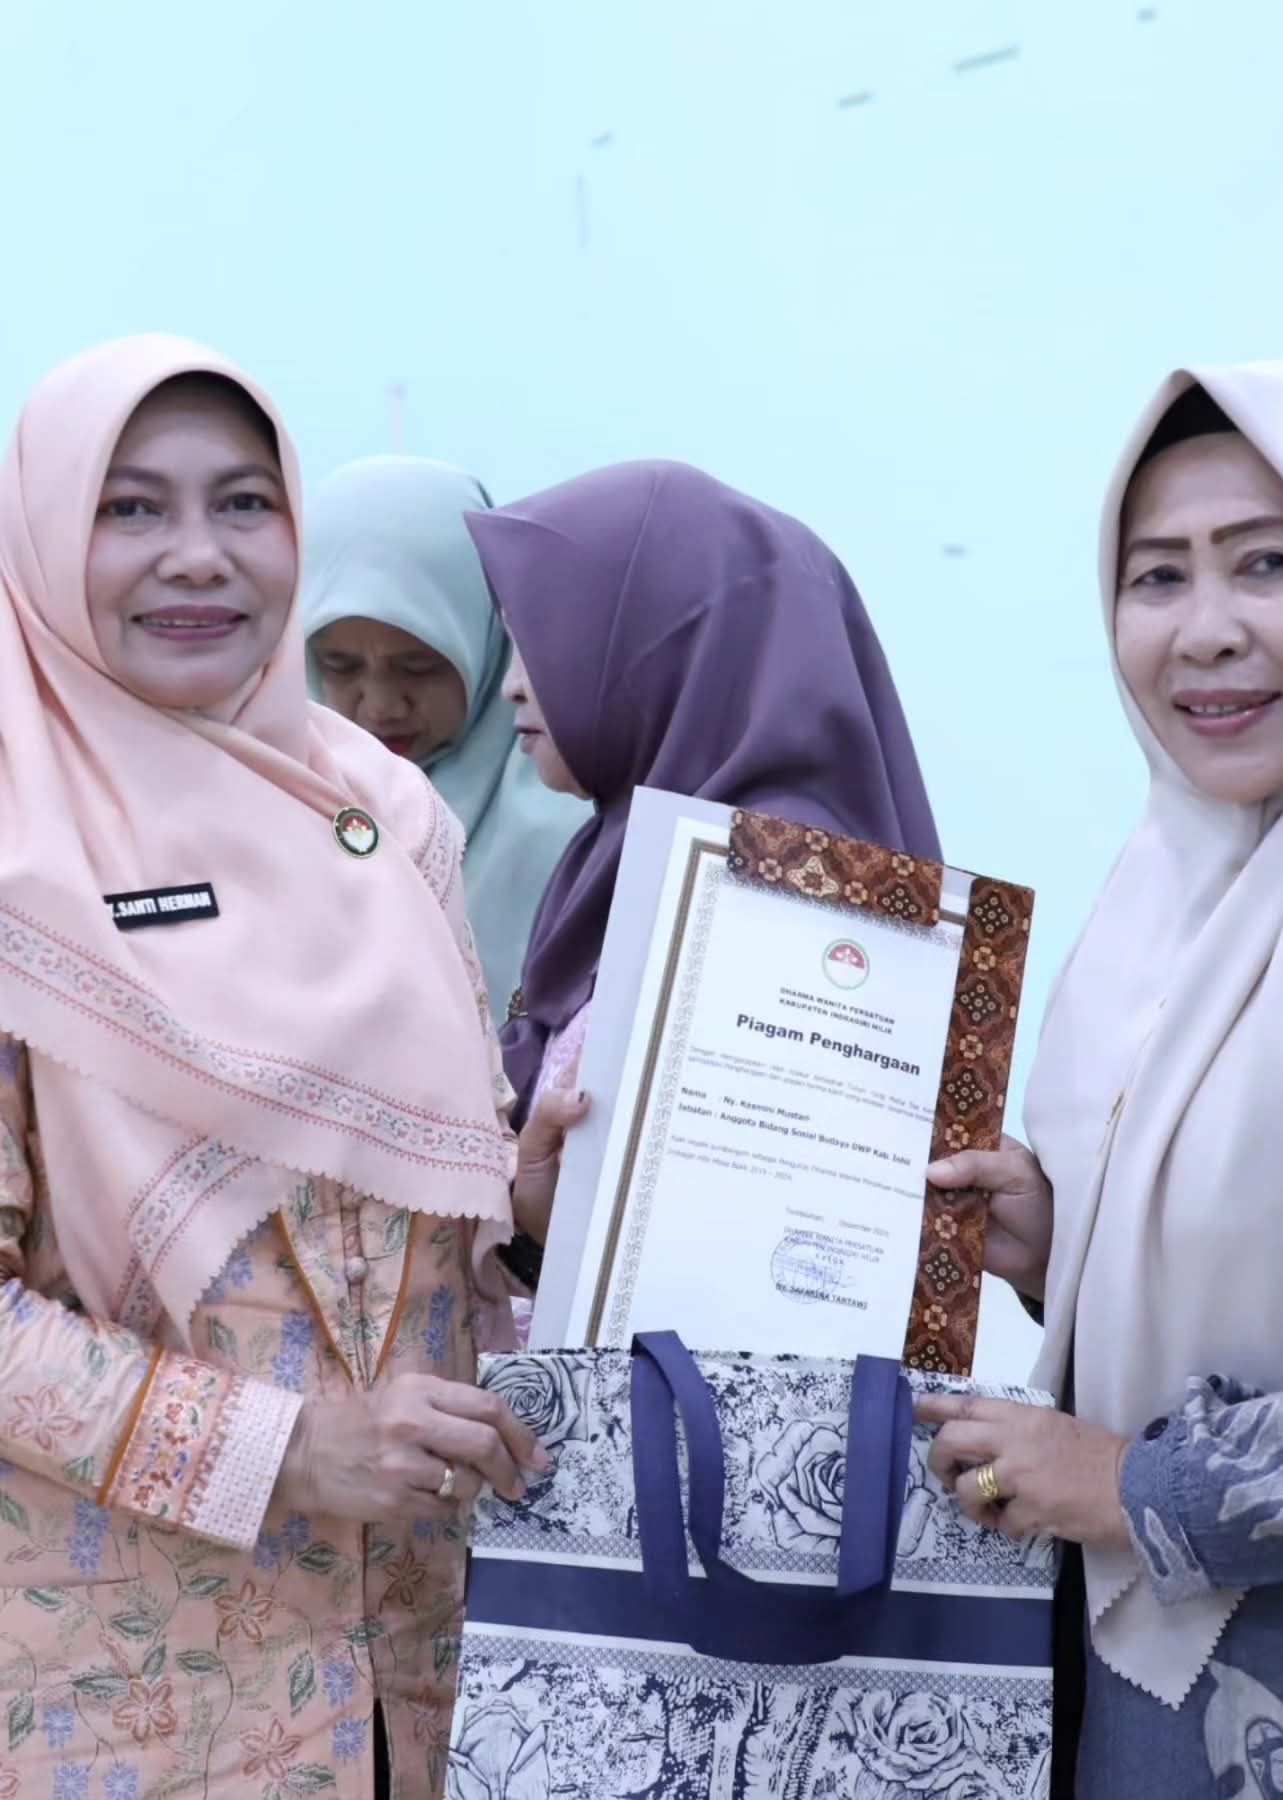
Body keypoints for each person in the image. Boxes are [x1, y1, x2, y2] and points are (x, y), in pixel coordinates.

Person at [0, 336, 560, 1798]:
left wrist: (525, 1202)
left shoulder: (385, 822)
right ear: (45, 533)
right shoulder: (12, 849)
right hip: (126, 1694)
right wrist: (280, 1449)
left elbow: (417, 1206)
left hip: (419, 1667)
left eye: (244, 503)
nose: (198, 554)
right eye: (131, 507)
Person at [918, 366, 1283, 1796]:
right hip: (1123, 1699)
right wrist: (1064, 1251)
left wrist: (1128, 1483)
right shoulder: (1165, 898)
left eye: (1268, 563)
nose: (1206, 630)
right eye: (1157, 577)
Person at [462, 459, 942, 1265]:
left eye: (542, 642)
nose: (512, 685)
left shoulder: (785, 886)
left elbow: (743, 1250)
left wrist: (542, 1233)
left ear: (657, 647)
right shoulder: (617, 853)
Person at [302, 456, 585, 1015]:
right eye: (340, 666)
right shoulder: (270, 798)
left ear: (489, 634)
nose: (381, 705)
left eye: (419, 666)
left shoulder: (572, 819)